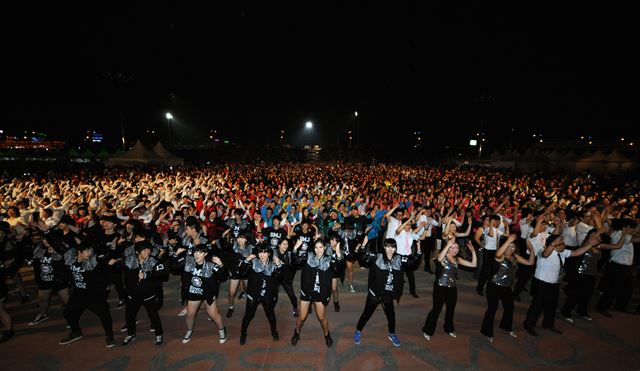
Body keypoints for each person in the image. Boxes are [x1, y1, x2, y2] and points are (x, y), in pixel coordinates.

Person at [353, 237, 422, 347]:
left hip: (388, 294)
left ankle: (392, 334)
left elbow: (412, 263)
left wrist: (418, 252)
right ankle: (358, 331)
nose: (390, 249)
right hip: (375, 293)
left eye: (392, 247)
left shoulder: (399, 259)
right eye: (388, 246)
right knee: (366, 314)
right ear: (384, 247)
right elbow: (363, 259)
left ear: (395, 248)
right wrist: (362, 247)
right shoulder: (377, 257)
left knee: (391, 315)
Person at [522, 234, 594, 336]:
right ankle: (529, 324)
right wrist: (552, 244)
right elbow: (545, 254)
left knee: (552, 305)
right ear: (555, 245)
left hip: (553, 284)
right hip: (541, 283)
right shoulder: (543, 251)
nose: (565, 245)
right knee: (537, 306)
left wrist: (590, 245)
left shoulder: (562, 253)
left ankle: (548, 324)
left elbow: (576, 252)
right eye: (562, 243)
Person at [480, 234, 534, 343]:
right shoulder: (500, 256)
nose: (510, 249)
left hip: (507, 287)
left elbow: (530, 262)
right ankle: (487, 332)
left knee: (510, 308)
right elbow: (498, 253)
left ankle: (506, 326)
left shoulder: (515, 257)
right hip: (494, 286)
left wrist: (532, 250)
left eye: (513, 247)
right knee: (492, 309)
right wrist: (509, 240)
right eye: (508, 246)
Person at [60, 242, 116, 348]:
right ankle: (76, 332)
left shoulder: (92, 262)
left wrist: (109, 262)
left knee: (104, 314)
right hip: (78, 293)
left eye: (91, 251)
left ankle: (110, 336)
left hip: (93, 295)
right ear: (79, 252)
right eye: (87, 251)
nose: (90, 253)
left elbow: (102, 262)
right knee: (67, 313)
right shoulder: (71, 261)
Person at [172, 243, 228, 344]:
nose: (197, 254)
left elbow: (224, 277)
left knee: (213, 315)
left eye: (201, 252)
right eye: (196, 252)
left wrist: (220, 264)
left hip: (207, 293)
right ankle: (189, 330)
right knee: (190, 315)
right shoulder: (188, 262)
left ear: (205, 254)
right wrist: (176, 255)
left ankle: (221, 329)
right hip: (193, 292)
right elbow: (174, 268)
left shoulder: (211, 265)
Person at [290, 238, 342, 347]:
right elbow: (296, 262)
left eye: (321, 247)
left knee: (322, 317)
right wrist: (295, 248)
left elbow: (337, 270)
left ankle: (327, 334)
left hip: (320, 293)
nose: (318, 250)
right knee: (302, 317)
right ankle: (297, 332)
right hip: (307, 292)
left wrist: (338, 255)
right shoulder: (308, 257)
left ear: (325, 248)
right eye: (316, 247)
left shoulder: (328, 260)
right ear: (313, 248)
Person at [422, 239, 477, 340]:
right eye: (453, 248)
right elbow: (439, 259)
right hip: (440, 287)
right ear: (447, 249)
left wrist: (473, 251)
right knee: (436, 309)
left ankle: (449, 329)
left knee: (450, 310)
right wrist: (448, 245)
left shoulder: (457, 260)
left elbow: (473, 265)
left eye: (457, 248)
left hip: (452, 288)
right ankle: (427, 330)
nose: (455, 250)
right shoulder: (443, 258)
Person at [121, 241, 167, 347]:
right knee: (129, 316)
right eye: (145, 250)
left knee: (153, 316)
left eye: (149, 249)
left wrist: (147, 275)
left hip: (148, 294)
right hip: (133, 294)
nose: (148, 252)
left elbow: (161, 273)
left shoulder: (153, 261)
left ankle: (159, 334)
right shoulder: (130, 260)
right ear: (137, 252)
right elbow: (122, 273)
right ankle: (131, 334)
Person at [238, 244, 283, 345]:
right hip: (253, 294)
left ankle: (274, 331)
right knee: (248, 316)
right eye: (260, 252)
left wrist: (279, 265)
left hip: (267, 295)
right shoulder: (253, 263)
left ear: (269, 253)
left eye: (265, 252)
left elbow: (280, 278)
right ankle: (243, 333)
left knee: (270, 315)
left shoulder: (273, 264)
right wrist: (246, 261)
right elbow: (241, 273)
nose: (262, 255)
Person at [28, 233, 70, 326]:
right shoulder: (39, 249)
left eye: (48, 239)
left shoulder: (61, 248)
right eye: (44, 239)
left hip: (59, 280)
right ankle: (43, 314)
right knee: (42, 299)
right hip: (44, 280)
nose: (45, 241)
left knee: (66, 300)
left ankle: (73, 318)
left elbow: (67, 261)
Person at [223, 232, 253, 318]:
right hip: (235, 272)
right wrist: (229, 270)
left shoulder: (250, 248)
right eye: (239, 237)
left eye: (242, 238)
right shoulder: (233, 246)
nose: (240, 240)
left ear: (246, 239)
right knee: (231, 293)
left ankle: (250, 308)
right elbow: (227, 257)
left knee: (249, 291)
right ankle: (231, 307)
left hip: (246, 273)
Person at [0, 222, 14, 343]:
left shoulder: (5, 244)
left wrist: (3, 265)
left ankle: (9, 330)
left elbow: (10, 260)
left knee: (0, 310)